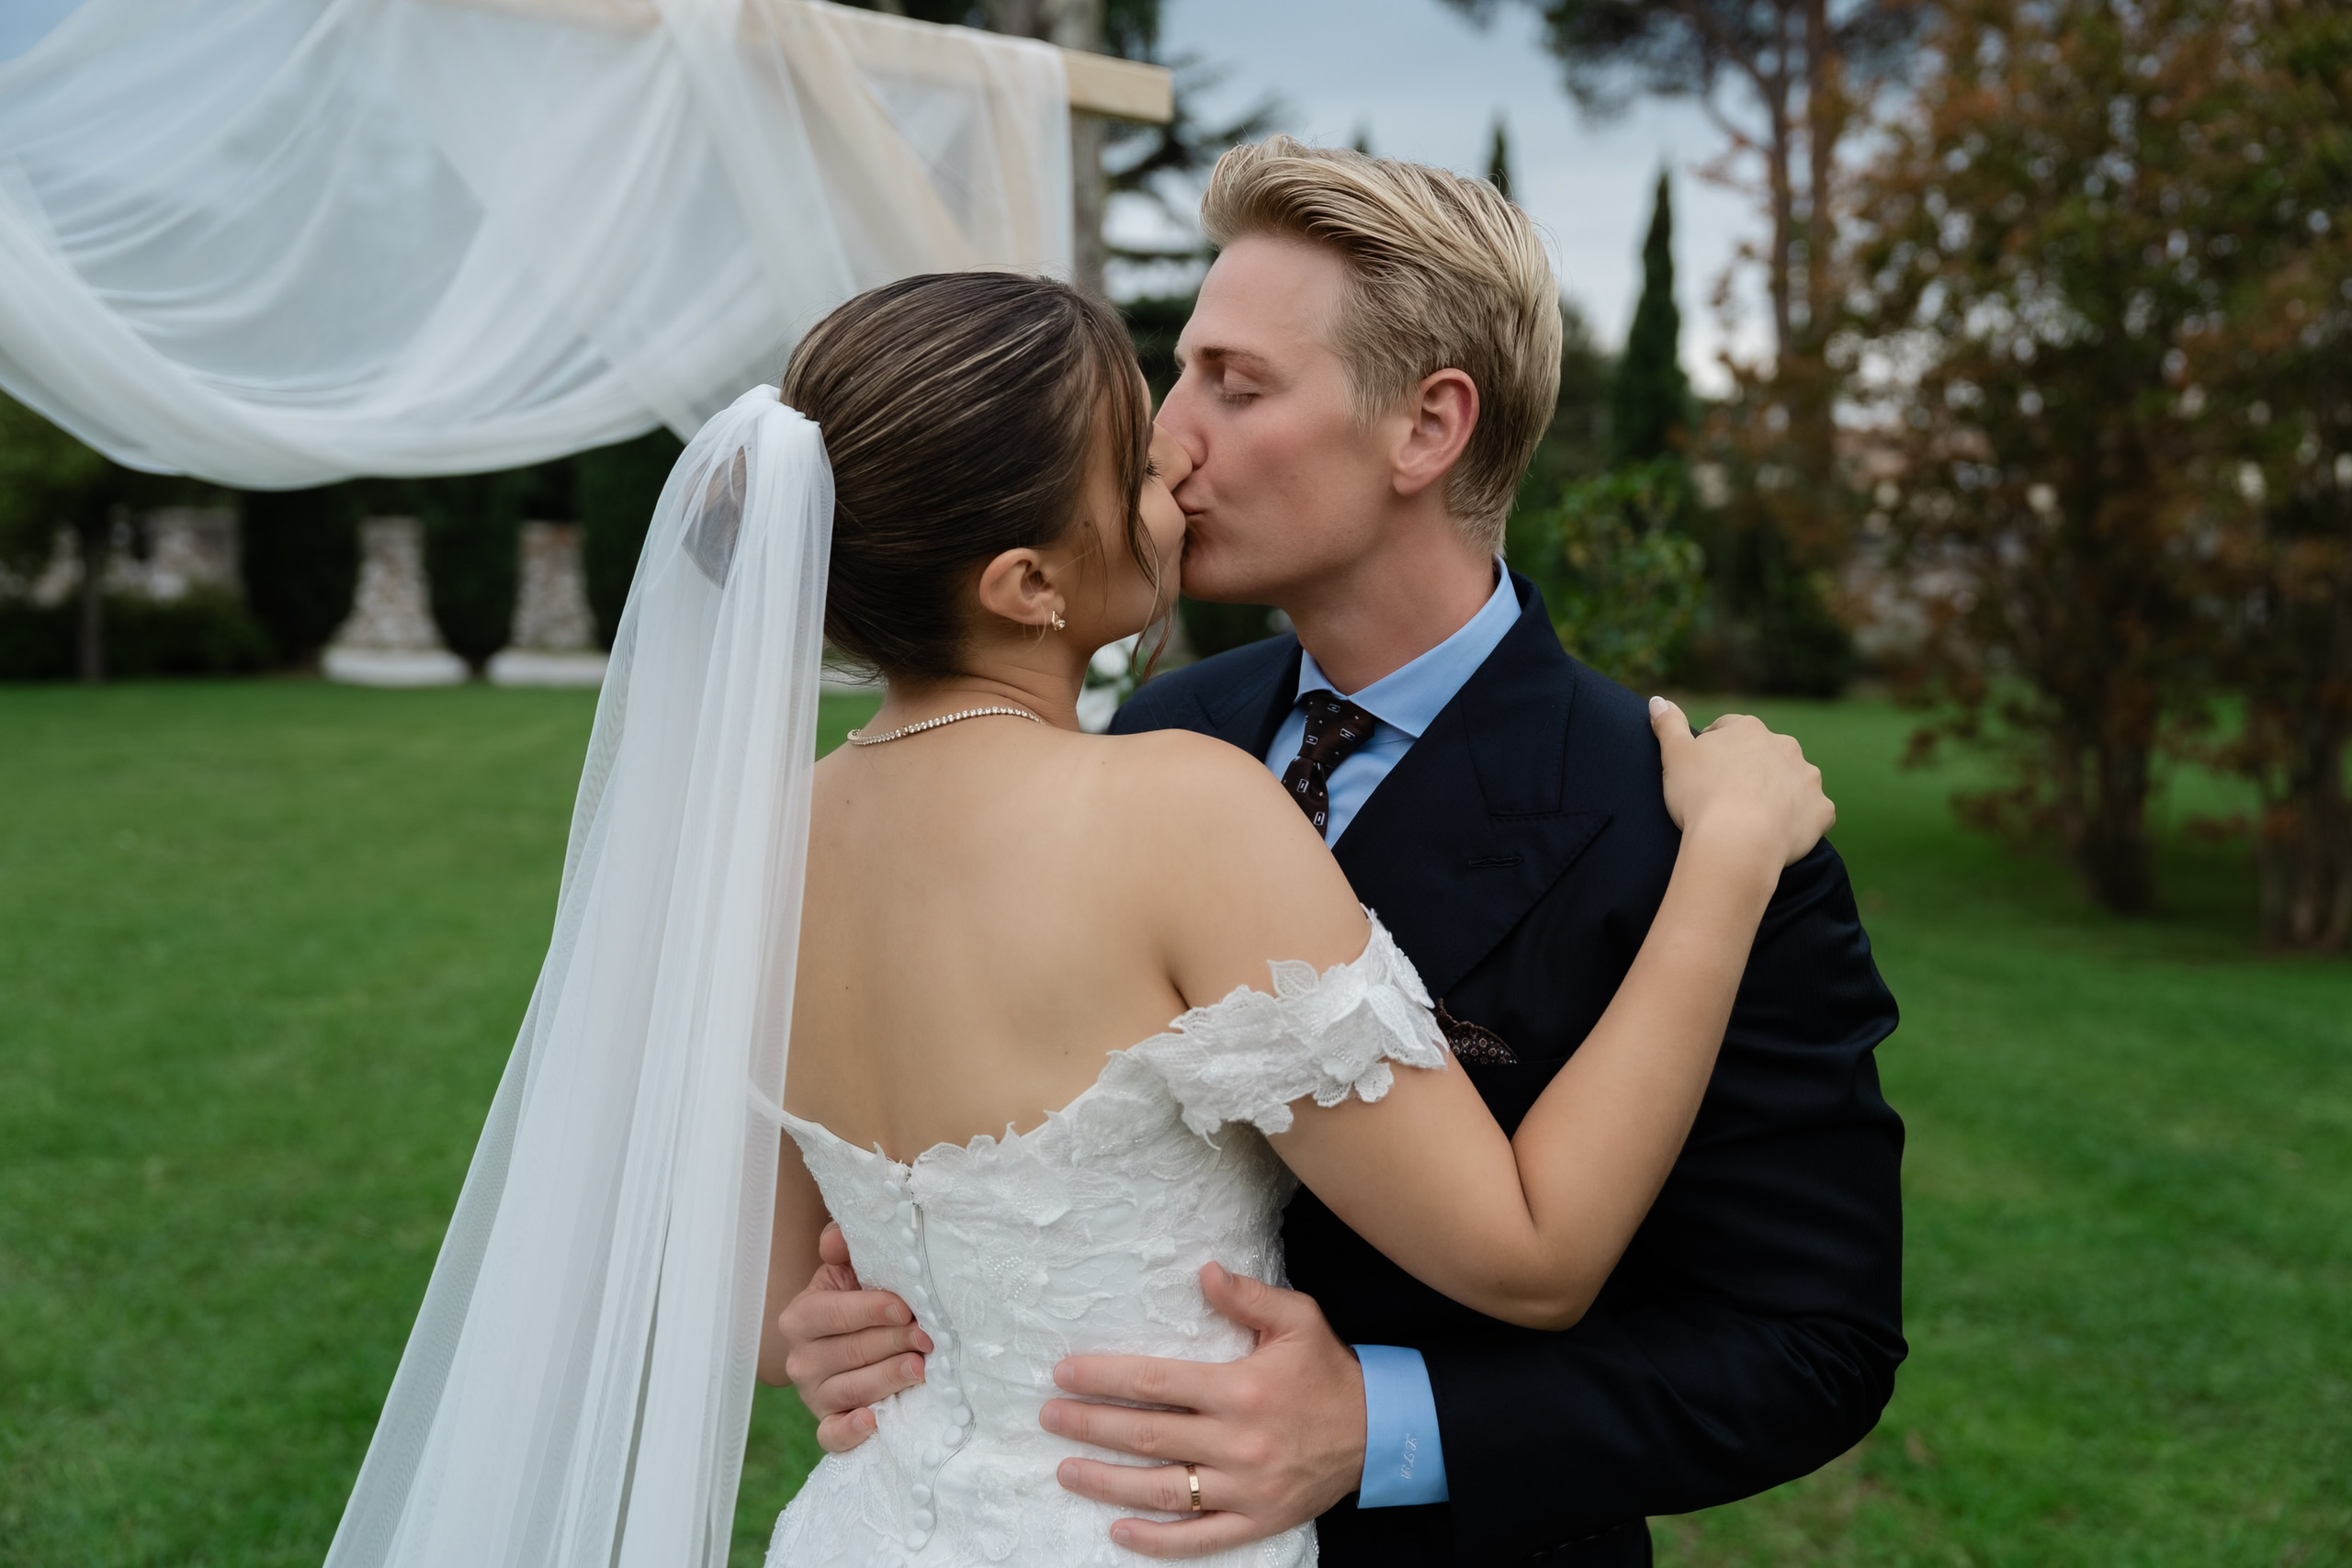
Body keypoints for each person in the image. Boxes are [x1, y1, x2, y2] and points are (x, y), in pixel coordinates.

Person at [774, 141, 1905, 1566]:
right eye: (1175, 374)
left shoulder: (1681, 826)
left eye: (1235, 387)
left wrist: (1388, 1422)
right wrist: (871, 1310)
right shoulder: (1162, 734)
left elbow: (1813, 1347)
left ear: (1426, 431)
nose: (1171, 439)